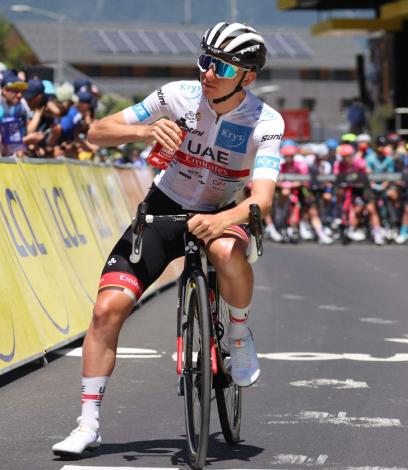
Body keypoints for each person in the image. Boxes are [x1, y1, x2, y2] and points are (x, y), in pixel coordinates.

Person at [52, 21, 283, 458]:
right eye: (205, 60)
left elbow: (263, 200)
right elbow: (97, 132)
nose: (207, 72)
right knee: (106, 309)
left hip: (222, 210)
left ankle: (237, 336)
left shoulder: (266, 122)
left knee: (225, 250)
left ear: (247, 78)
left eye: (221, 66)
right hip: (164, 207)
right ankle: (88, 424)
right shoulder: (176, 96)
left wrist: (222, 219)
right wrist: (144, 131)